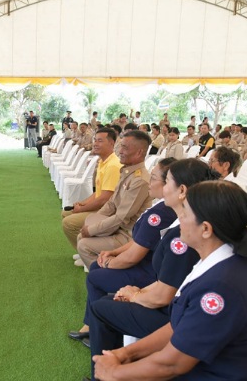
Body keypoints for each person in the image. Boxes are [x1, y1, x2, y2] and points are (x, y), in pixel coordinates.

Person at [91, 180, 247, 381]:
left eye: (184, 213)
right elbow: (178, 327)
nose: (179, 218)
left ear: (205, 229)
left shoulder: (221, 287)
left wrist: (114, 372)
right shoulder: (217, 261)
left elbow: (173, 363)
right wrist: (125, 354)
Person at [81, 159, 214, 365]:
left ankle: (106, 372)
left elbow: (164, 295)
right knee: (105, 302)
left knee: (101, 308)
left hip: (176, 315)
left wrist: (135, 295)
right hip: (177, 303)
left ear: (182, 191)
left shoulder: (183, 235)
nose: (159, 185)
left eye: (166, 181)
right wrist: (136, 292)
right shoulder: (185, 222)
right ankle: (112, 365)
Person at [68, 159, 177, 347]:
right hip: (145, 262)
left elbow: (134, 255)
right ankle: (92, 324)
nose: (149, 182)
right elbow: (140, 239)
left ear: (169, 184)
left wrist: (109, 262)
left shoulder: (161, 213)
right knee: (96, 268)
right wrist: (113, 253)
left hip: (148, 271)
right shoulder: (160, 205)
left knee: (95, 276)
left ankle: (100, 330)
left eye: (153, 178)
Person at [76, 131, 153, 267]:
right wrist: (94, 221)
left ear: (139, 152)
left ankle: (104, 275)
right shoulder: (127, 171)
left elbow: (121, 217)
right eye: (120, 146)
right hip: (117, 227)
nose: (120, 151)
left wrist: (92, 229)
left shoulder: (140, 180)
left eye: (125, 147)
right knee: (82, 235)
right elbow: (111, 203)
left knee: (84, 245)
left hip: (128, 234)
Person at [62, 128, 122, 256]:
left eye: (100, 141)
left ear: (111, 143)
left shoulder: (113, 165)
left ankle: (88, 252)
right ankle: (83, 250)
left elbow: (104, 199)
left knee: (69, 223)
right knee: (66, 213)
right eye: (95, 140)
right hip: (101, 206)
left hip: (108, 211)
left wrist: (82, 209)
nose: (95, 143)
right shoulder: (103, 161)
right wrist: (82, 204)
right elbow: (98, 193)